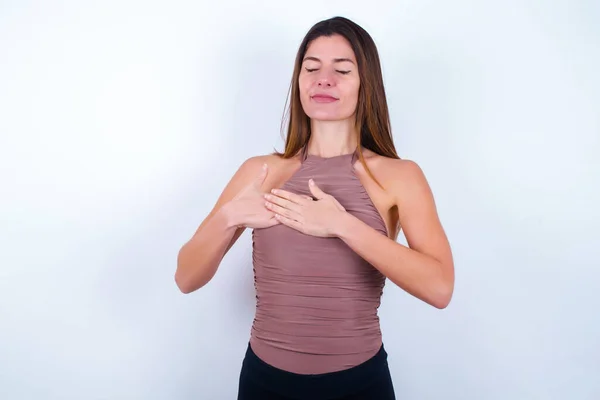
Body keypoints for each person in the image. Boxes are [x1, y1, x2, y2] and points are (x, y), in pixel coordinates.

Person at [175, 16, 454, 400]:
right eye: (311, 69)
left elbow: (440, 288)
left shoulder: (400, 176)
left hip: (359, 384)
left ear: (365, 84)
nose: (324, 79)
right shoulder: (262, 172)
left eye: (341, 69)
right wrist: (229, 217)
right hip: (264, 382)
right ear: (299, 82)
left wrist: (343, 225)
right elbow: (186, 278)